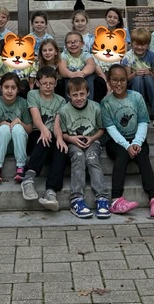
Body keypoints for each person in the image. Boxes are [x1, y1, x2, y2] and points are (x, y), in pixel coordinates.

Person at [101, 65, 154, 218]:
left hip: (137, 138)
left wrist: (136, 142)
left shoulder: (136, 97)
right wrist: (127, 145)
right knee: (122, 154)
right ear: (109, 81)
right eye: (114, 80)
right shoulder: (106, 102)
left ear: (127, 80)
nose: (119, 83)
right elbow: (110, 128)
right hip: (115, 141)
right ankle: (116, 199)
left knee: (142, 156)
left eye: (122, 79)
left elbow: (143, 122)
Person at [56, 76, 108, 219]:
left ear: (88, 93)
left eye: (82, 94)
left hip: (92, 141)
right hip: (73, 142)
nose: (79, 98)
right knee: (78, 158)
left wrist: (92, 138)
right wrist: (71, 139)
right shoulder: (64, 110)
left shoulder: (95, 107)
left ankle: (102, 198)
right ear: (68, 95)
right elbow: (64, 134)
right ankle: (76, 199)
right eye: (75, 95)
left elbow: (101, 129)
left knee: (92, 159)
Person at [20, 66, 67, 210]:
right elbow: (35, 118)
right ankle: (28, 179)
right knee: (44, 138)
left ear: (55, 84)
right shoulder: (33, 95)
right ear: (38, 83)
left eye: (51, 83)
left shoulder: (60, 100)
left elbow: (58, 124)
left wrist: (59, 138)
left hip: (52, 135)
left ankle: (51, 191)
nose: (48, 86)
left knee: (61, 148)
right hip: (36, 134)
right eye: (45, 83)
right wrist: (44, 130)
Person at [0, 72, 31, 183]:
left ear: (18, 89)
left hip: (19, 143)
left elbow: (30, 129)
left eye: (13, 88)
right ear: (0, 88)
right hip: (1, 144)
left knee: (17, 128)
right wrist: (0, 125)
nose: (9, 91)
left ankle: (20, 167)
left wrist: (19, 122)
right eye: (6, 87)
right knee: (4, 128)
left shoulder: (23, 103)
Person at [122, 27, 154, 126]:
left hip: (150, 83)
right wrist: (134, 74)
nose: (139, 47)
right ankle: (139, 110)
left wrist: (150, 73)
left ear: (148, 45)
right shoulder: (128, 57)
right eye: (136, 44)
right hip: (134, 84)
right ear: (132, 43)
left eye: (143, 45)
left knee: (148, 78)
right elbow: (125, 79)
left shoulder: (153, 56)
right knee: (138, 79)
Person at [59, 30, 96, 100]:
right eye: (69, 42)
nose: (73, 44)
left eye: (76, 42)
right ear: (66, 45)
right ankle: (69, 103)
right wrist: (72, 75)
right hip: (70, 75)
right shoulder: (64, 55)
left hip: (84, 75)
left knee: (90, 78)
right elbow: (62, 69)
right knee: (67, 81)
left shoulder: (85, 54)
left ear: (82, 44)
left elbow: (91, 65)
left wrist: (83, 73)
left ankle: (89, 101)